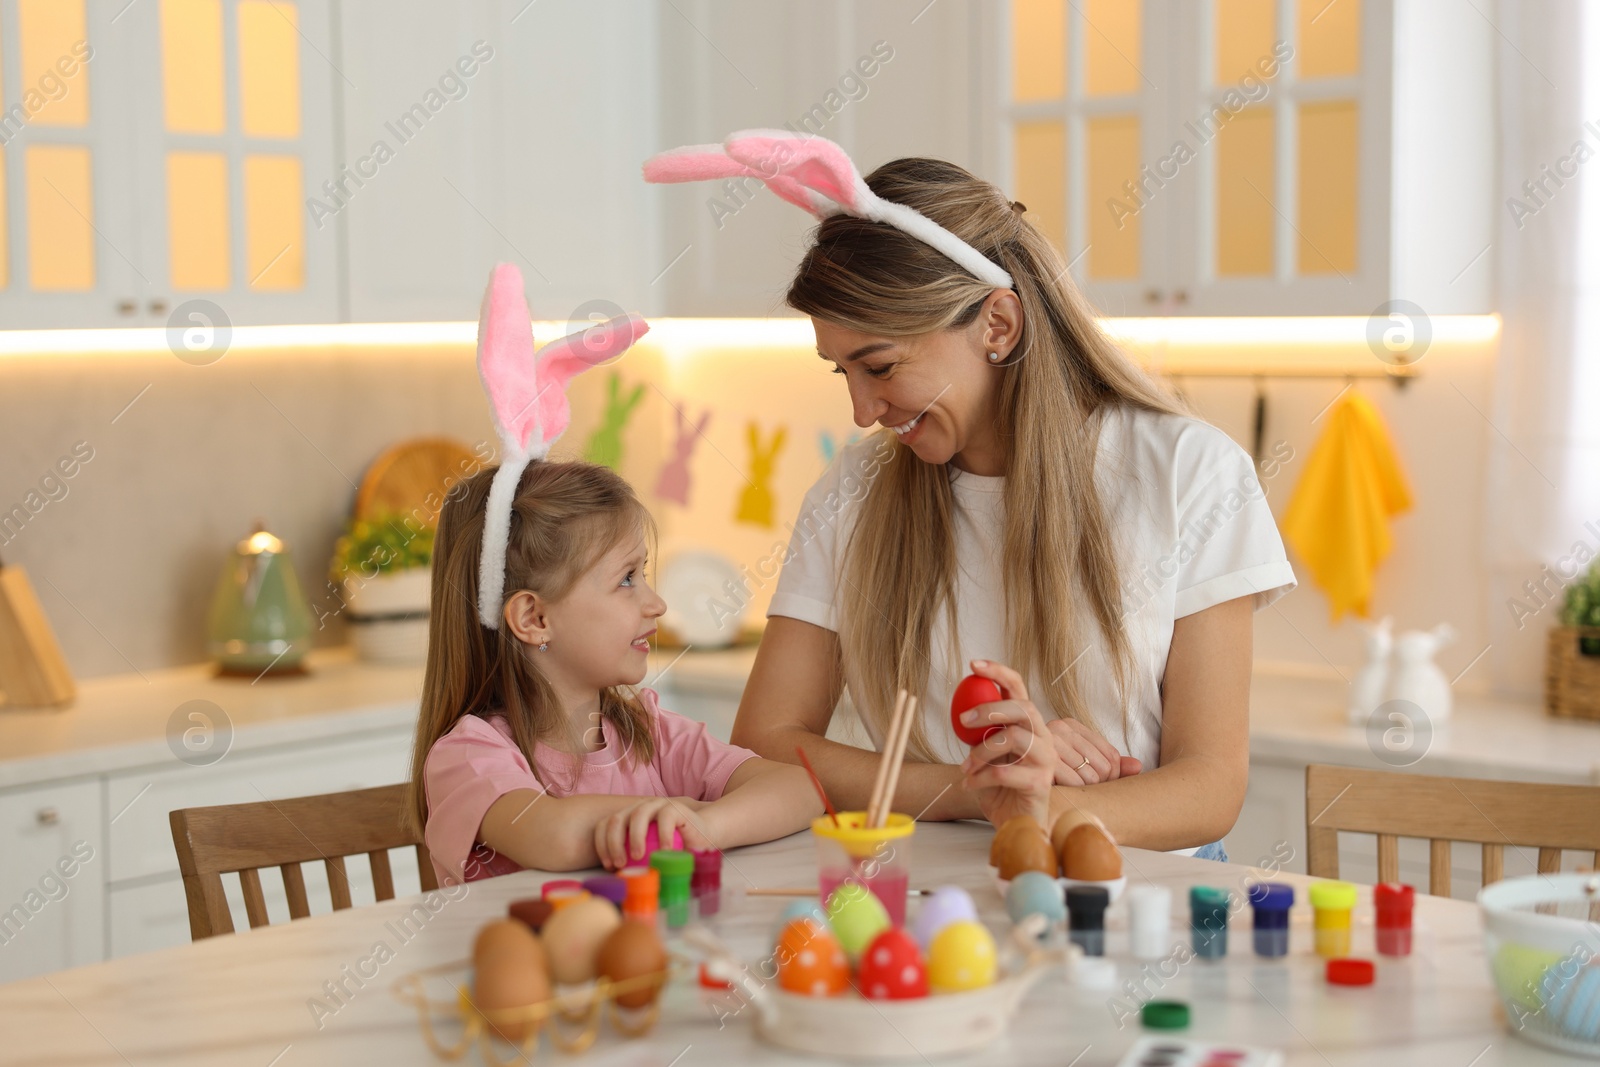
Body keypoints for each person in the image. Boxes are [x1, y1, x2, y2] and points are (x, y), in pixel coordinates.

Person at [645, 134, 1296, 859]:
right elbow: (765, 744)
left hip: (1127, 894)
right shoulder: (854, 493)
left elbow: (1210, 787)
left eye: (880, 366)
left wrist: (1042, 807)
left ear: (998, 324)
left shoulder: (1190, 472)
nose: (863, 411)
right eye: (843, 374)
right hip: (930, 888)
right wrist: (976, 786)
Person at [403, 266, 818, 886]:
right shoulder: (472, 756)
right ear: (533, 618)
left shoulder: (646, 731)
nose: (654, 604)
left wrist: (704, 825)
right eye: (627, 580)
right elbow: (554, 834)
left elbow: (799, 791)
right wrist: (686, 815)